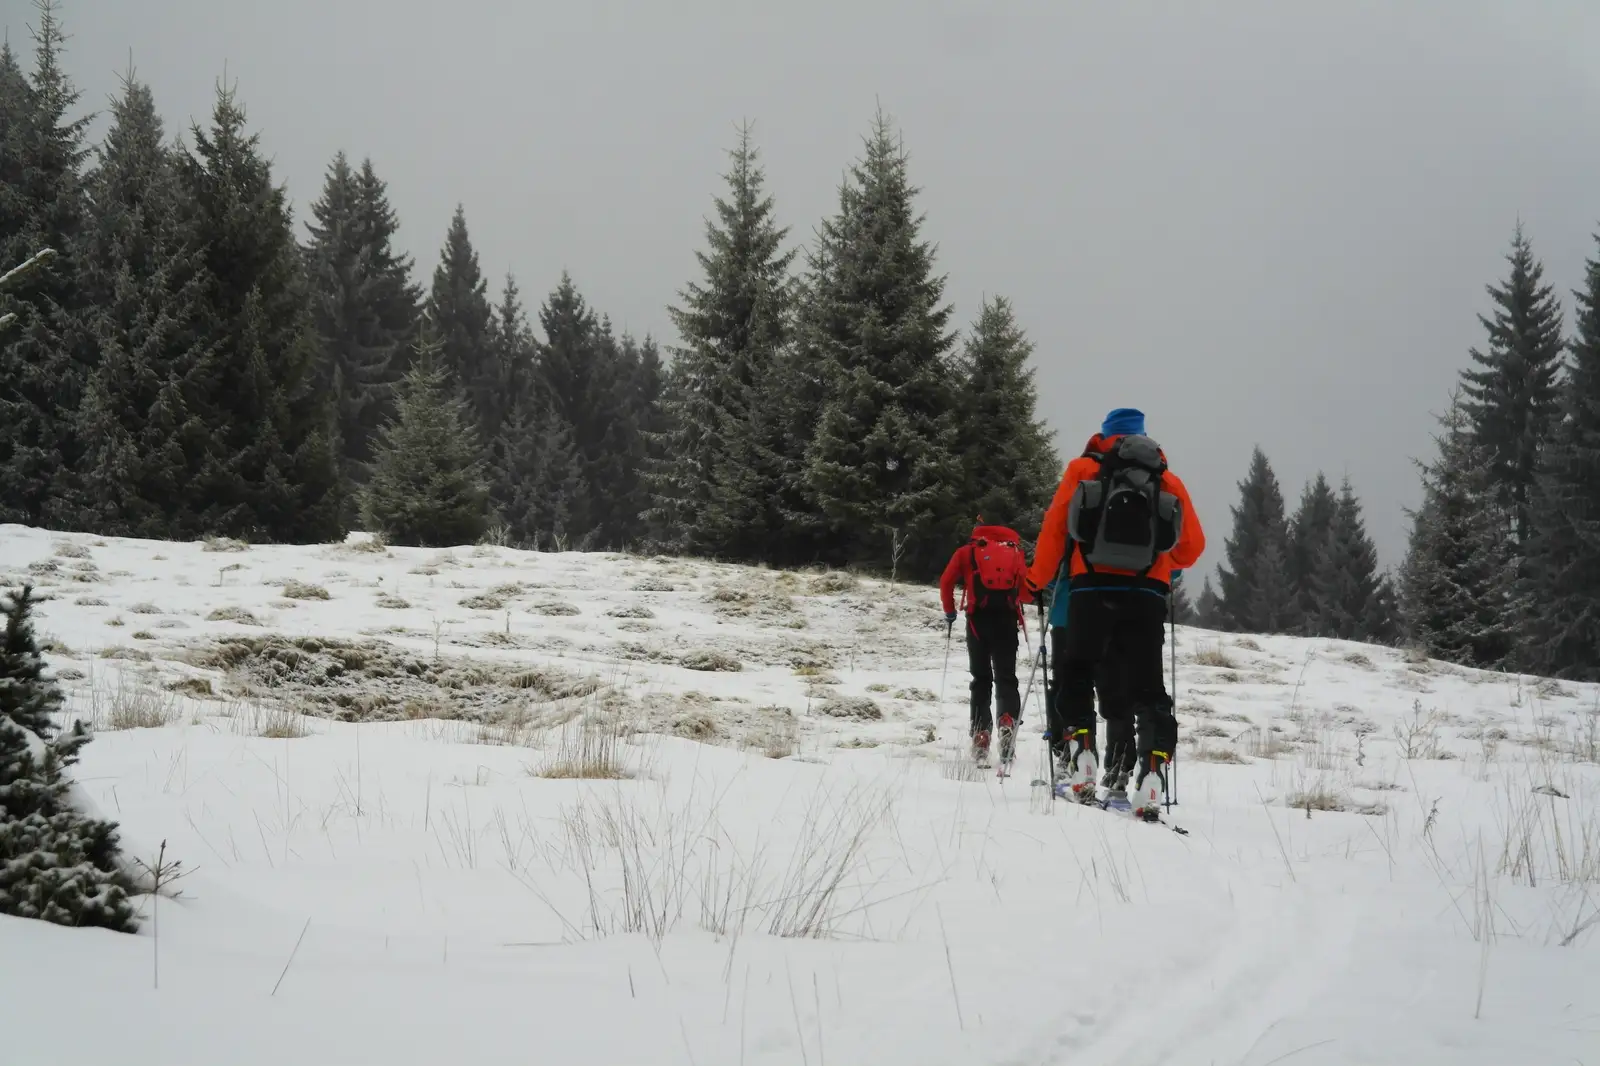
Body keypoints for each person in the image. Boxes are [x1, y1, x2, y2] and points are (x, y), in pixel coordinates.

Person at [1026, 408, 1205, 817]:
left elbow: (1055, 530)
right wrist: (1160, 560)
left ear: (1104, 435)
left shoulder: (1083, 469)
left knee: (1077, 670)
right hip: (1147, 592)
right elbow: (1191, 548)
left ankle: (1083, 754)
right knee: (1149, 687)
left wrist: (1036, 579)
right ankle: (1153, 773)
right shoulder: (1167, 478)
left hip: (1091, 587)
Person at [940, 520, 1032, 765]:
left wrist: (950, 611)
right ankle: (1007, 720)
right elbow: (1025, 592)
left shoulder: (967, 551)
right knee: (1006, 677)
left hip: (977, 621)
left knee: (981, 678)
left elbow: (946, 581)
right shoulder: (1014, 552)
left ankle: (981, 733)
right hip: (1007, 620)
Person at [1038, 575, 1133, 794]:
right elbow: (1172, 571)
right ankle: (1119, 765)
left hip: (1070, 614)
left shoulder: (1071, 549)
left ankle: (1072, 754)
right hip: (1121, 616)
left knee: (1069, 685)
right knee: (1117, 691)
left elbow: (1045, 573)